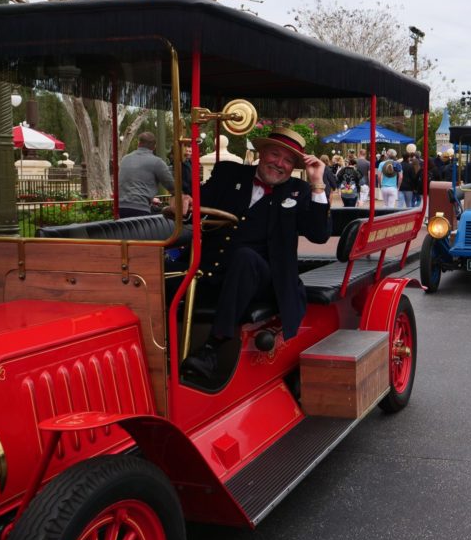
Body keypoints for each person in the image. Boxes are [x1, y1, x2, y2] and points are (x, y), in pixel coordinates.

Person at [181, 128, 331, 381]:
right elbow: (196, 205)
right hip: (213, 272)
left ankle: (212, 349)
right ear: (261, 153)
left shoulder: (299, 190)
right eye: (274, 154)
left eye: (288, 160)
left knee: (245, 257)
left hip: (266, 280)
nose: (279, 164)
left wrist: (317, 183)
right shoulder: (229, 174)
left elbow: (319, 234)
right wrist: (185, 200)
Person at [118, 132, 177, 218]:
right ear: (154, 147)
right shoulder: (157, 162)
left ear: (138, 144)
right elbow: (172, 187)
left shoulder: (125, 159)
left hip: (120, 207)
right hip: (140, 208)